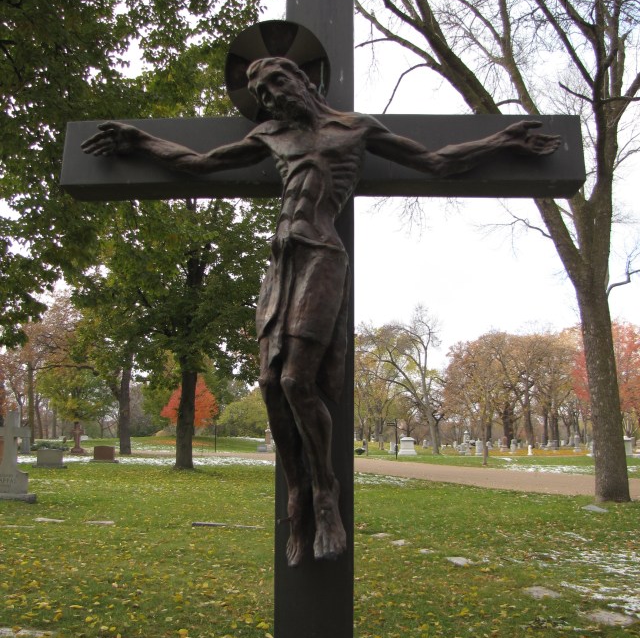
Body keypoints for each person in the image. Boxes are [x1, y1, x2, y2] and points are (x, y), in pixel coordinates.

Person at [82, 56, 560, 566]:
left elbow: (437, 161)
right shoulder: (269, 135)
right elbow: (200, 164)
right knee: (269, 382)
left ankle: (324, 495)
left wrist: (503, 141)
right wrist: (139, 140)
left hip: (322, 257)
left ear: (305, 80)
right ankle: (296, 494)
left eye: (277, 81)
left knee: (295, 382)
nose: (271, 95)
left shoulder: (354, 129)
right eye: (261, 92)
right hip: (280, 265)